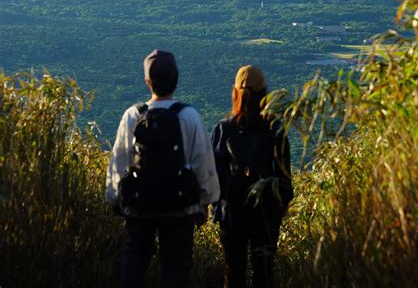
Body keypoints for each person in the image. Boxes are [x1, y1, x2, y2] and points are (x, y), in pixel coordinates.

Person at [105, 49, 220, 288]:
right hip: (180, 207)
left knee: (135, 256)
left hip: (139, 205)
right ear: (176, 79)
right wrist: (206, 201)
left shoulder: (132, 116)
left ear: (148, 81)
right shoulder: (189, 116)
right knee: (176, 267)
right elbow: (204, 164)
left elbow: (118, 162)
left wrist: (116, 199)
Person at [211, 65, 293, 288]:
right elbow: (285, 178)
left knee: (233, 273)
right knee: (264, 275)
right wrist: (279, 207)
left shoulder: (224, 129)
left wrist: (217, 208)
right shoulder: (275, 129)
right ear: (265, 93)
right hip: (265, 213)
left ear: (235, 92)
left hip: (232, 213)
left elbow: (214, 176)